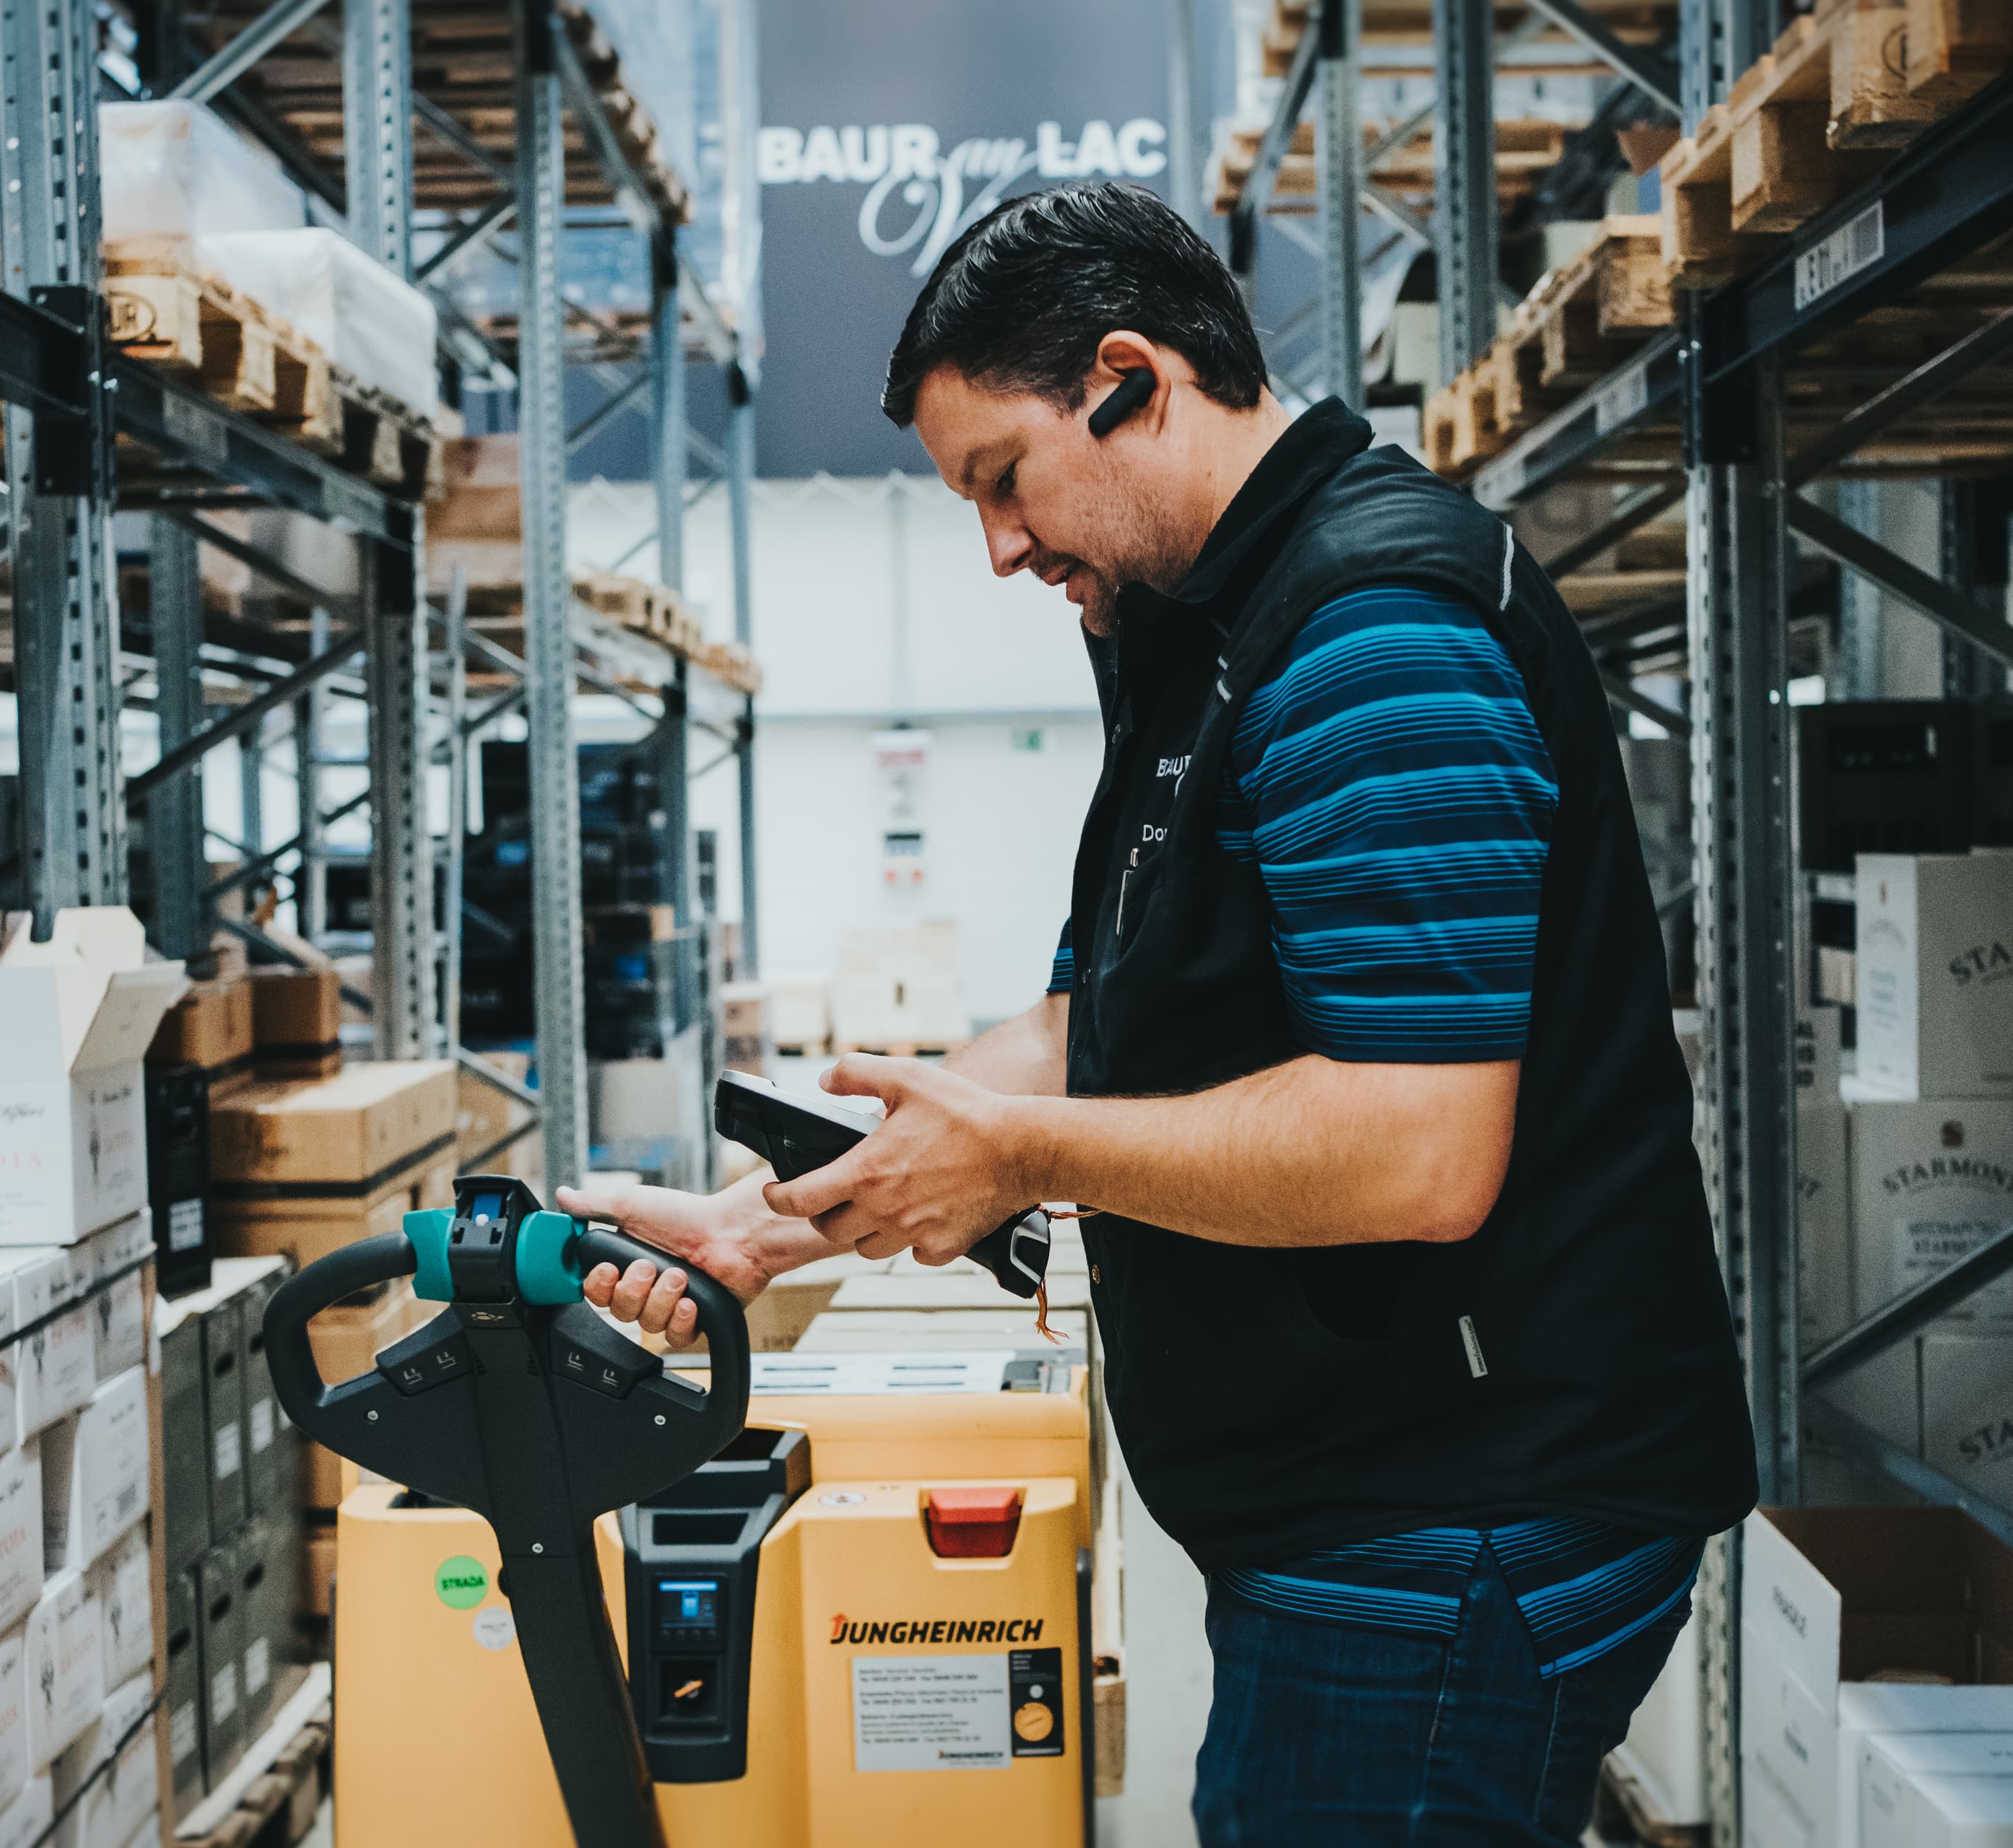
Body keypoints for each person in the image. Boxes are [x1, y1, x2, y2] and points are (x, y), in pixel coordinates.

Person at [561, 181, 1756, 1847]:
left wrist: (1026, 1157)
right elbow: (1086, 1030)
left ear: (1129, 377)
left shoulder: (1370, 641)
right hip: (1363, 1502)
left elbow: (1421, 1150)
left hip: (1462, 1513)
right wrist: (771, 1225)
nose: (998, 546)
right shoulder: (1193, 630)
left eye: (1003, 479)